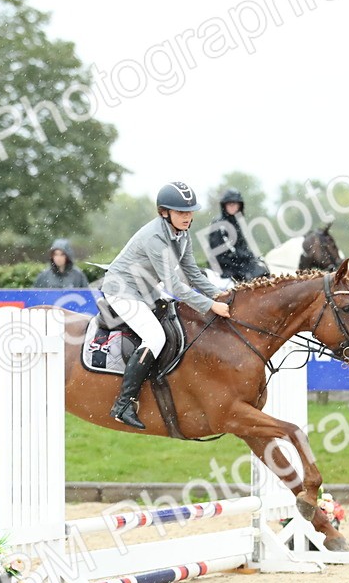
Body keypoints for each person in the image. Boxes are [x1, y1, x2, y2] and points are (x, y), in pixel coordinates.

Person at [101, 181, 231, 429]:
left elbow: (192, 273)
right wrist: (210, 306)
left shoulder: (182, 234)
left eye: (190, 211)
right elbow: (174, 285)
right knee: (155, 337)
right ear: (164, 212)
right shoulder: (155, 236)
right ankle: (123, 403)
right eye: (181, 212)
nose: (187, 217)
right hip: (122, 290)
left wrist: (220, 295)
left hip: (146, 288)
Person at [206, 187, 270, 282]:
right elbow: (219, 253)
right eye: (229, 204)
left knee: (262, 269)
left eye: (235, 203)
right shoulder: (219, 224)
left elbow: (242, 246)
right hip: (224, 267)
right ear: (224, 205)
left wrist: (251, 257)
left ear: (239, 206)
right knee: (255, 274)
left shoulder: (236, 223)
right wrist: (242, 261)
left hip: (237, 264)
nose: (232, 206)